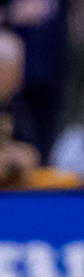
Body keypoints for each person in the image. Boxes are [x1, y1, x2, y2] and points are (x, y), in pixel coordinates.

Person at [0, 0, 79, 161]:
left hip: (50, 69)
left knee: (48, 137)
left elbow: (71, 16)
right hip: (9, 74)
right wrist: (13, 13)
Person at [0, 28, 39, 185]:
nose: (19, 79)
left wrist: (22, 154)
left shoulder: (16, 106)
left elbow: (32, 149)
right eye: (14, 71)